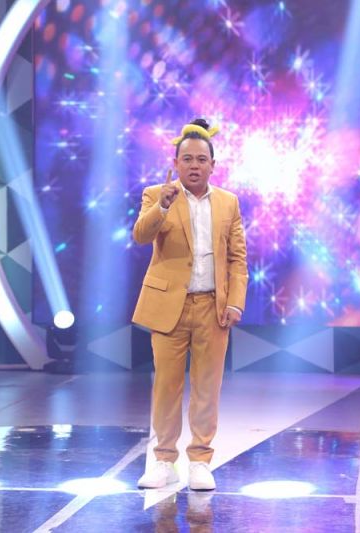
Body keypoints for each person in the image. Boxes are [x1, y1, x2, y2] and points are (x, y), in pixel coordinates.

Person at [132, 118, 248, 491]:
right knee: (166, 386)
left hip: (213, 307)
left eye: (201, 159)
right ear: (176, 163)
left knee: (206, 387)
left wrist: (236, 302)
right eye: (187, 159)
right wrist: (162, 207)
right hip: (169, 305)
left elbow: (238, 258)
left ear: (213, 165)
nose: (194, 165)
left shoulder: (228, 202)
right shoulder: (156, 194)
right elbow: (141, 235)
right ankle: (164, 460)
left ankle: (200, 460)